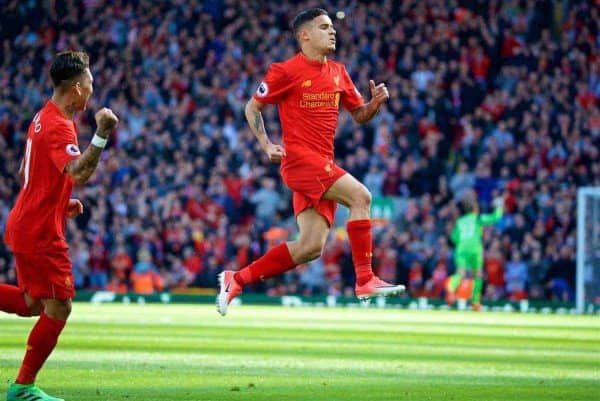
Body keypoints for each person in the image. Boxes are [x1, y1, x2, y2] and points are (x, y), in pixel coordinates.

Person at [217, 8, 405, 316]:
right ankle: (365, 279)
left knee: (310, 248)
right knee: (362, 196)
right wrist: (266, 144)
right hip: (301, 163)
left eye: (332, 27)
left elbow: (359, 116)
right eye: (324, 27)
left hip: (321, 165)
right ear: (304, 35)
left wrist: (375, 104)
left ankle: (235, 279)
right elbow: (252, 108)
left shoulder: (339, 72)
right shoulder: (285, 71)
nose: (332, 32)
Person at [1, 51, 118, 401]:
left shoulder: (42, 117)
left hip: (30, 221)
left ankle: (22, 387)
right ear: (77, 89)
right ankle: (22, 387)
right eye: (91, 85)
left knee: (33, 303)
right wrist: (101, 135)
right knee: (60, 306)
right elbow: (79, 172)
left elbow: (28, 174)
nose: (92, 92)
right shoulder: (57, 125)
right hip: (39, 234)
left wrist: (58, 201)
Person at [446, 192, 504, 311]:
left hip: (461, 249)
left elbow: (454, 238)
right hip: (475, 249)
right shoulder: (477, 218)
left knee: (460, 273)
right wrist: (499, 207)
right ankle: (475, 302)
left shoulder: (459, 221)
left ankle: (451, 290)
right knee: (477, 274)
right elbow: (495, 218)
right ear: (475, 208)